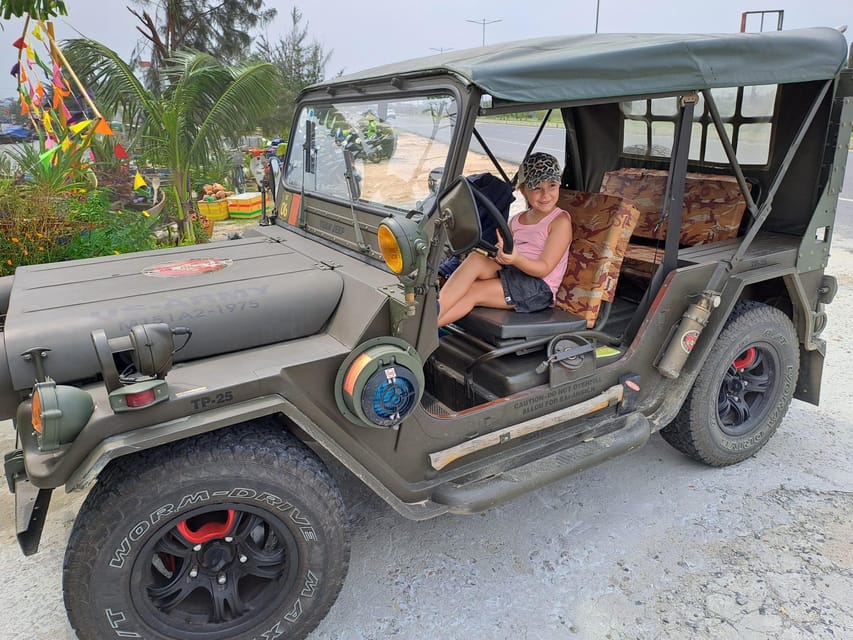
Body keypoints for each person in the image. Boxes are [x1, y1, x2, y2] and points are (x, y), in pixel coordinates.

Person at [437, 152, 572, 327]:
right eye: (537, 188)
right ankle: (435, 307)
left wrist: (516, 259)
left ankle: (424, 331)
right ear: (523, 190)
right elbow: (505, 252)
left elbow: (544, 269)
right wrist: (498, 254)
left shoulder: (560, 222)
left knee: (473, 291)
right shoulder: (517, 220)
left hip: (538, 288)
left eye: (552, 185)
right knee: (476, 258)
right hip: (514, 272)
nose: (546, 195)